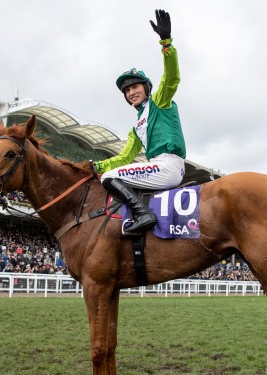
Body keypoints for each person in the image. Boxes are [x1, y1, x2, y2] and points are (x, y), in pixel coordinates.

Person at [93, 9, 187, 234]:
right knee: (110, 171)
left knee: (109, 178)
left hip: (169, 165)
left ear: (146, 88)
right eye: (127, 90)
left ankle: (143, 215)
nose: (131, 92)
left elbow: (172, 78)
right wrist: (95, 166)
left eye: (135, 87)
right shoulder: (137, 127)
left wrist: (166, 44)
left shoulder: (160, 101)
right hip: (158, 167)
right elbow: (125, 157)